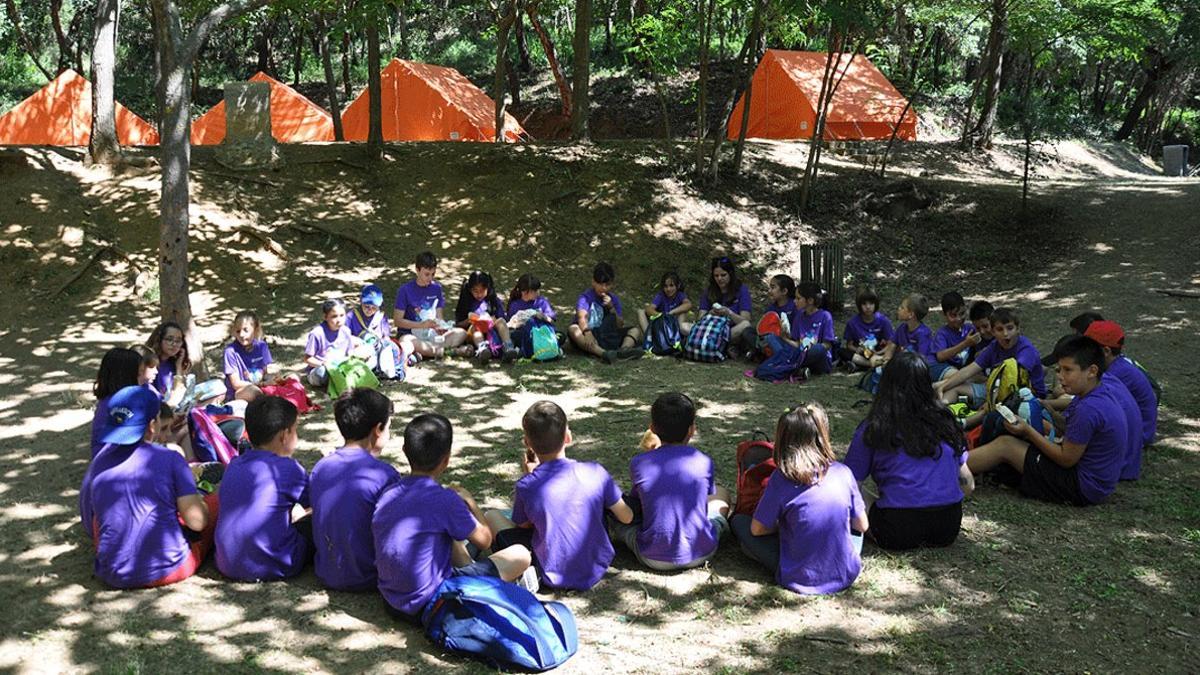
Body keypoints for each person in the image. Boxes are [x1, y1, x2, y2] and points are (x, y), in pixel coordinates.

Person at [373, 413, 535, 620]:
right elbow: (485, 541)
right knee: (521, 554)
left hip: (392, 600)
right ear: (447, 459)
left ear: (405, 451)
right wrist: (471, 503)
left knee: (446, 534)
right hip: (432, 601)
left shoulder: (388, 493)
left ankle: (470, 570)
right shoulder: (444, 499)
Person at [485, 401, 634, 591]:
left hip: (550, 572)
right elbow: (626, 516)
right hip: (597, 567)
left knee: (491, 515)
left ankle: (520, 570)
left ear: (527, 443)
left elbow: (524, 526)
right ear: (568, 437)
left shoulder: (527, 486)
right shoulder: (595, 472)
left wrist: (530, 476)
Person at [966, 336, 1126, 506]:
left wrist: (1028, 431)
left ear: (1092, 371)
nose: (1061, 377)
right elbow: (1070, 429)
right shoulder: (1098, 391)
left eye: (1068, 370)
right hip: (1096, 480)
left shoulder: (1088, 409)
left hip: (1082, 487)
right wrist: (1048, 411)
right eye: (1059, 370)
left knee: (1006, 445)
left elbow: (1066, 459)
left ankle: (947, 468)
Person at [730, 404, 868, 595]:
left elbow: (757, 529)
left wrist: (783, 525)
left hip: (798, 576)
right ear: (823, 435)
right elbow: (862, 526)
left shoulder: (781, 478)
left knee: (739, 522)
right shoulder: (843, 472)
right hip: (846, 572)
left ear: (782, 440)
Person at [89, 385, 217, 588]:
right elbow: (197, 522)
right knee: (214, 503)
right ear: (152, 425)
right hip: (168, 569)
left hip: (112, 572)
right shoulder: (170, 457)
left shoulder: (99, 461)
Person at [844, 353, 974, 550]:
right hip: (948, 526)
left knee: (851, 487)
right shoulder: (946, 422)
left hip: (896, 528)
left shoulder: (874, 426)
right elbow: (968, 485)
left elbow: (850, 484)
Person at [609, 393, 730, 570]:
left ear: (652, 428)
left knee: (616, 514)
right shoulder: (704, 461)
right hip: (701, 551)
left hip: (652, 557)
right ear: (692, 429)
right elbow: (702, 502)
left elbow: (638, 503)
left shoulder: (640, 463)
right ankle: (721, 527)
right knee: (721, 493)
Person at [311, 389, 401, 591]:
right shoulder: (386, 476)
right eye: (388, 427)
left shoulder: (321, 467)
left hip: (327, 572)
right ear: (378, 429)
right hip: (370, 576)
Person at [215, 396, 312, 581]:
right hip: (275, 564)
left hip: (227, 563)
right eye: (295, 430)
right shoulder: (290, 469)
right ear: (284, 436)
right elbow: (316, 503)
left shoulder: (233, 464)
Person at [936, 307, 1047, 406]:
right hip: (997, 389)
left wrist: (991, 401)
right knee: (951, 388)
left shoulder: (1026, 350)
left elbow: (1016, 383)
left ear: (1018, 329)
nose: (1005, 334)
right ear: (993, 331)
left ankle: (954, 420)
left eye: (1009, 328)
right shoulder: (994, 346)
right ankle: (940, 414)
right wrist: (944, 386)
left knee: (958, 389)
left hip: (1027, 396)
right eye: (1000, 329)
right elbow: (969, 370)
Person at [1083, 320, 1157, 448]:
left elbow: (1088, 401)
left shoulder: (1116, 374)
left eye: (1086, 349)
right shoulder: (1117, 364)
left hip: (1138, 435)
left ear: (1106, 351)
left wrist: (1047, 404)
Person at [392, 250, 467, 360]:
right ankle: (452, 351)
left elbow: (439, 316)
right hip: (411, 334)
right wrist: (421, 325)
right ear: (417, 270)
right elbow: (397, 321)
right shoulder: (405, 290)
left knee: (461, 333)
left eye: (433, 274)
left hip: (432, 335)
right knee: (405, 341)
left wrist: (441, 327)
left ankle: (426, 352)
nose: (430, 278)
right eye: (427, 274)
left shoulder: (437, 288)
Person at [567, 261, 644, 364]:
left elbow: (620, 324)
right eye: (600, 284)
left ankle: (623, 351)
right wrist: (587, 332)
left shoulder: (613, 299)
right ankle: (604, 354)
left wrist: (611, 307)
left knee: (635, 330)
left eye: (607, 285)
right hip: (590, 336)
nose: (603, 288)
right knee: (573, 329)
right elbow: (581, 317)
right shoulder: (585, 297)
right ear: (593, 282)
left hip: (608, 335)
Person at [452, 271, 521, 365]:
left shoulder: (493, 301)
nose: (479, 294)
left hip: (491, 330)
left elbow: (502, 319)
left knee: (500, 321)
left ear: (488, 288)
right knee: (476, 327)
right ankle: (482, 349)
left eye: (482, 291)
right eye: (475, 291)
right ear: (470, 290)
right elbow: (458, 324)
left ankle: (508, 347)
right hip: (474, 333)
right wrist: (470, 320)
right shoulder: (466, 302)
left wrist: (492, 320)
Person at [697, 256, 754, 357]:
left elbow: (746, 320)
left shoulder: (741, 290)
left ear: (730, 274)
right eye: (716, 276)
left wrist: (729, 313)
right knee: (684, 327)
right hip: (711, 331)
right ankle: (724, 346)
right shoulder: (708, 291)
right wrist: (710, 313)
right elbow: (700, 319)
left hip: (731, 331)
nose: (719, 279)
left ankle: (721, 345)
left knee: (745, 326)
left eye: (723, 275)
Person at [347, 284, 407, 381]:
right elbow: (345, 338)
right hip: (359, 351)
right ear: (361, 301)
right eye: (366, 306)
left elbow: (386, 338)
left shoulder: (381, 318)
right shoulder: (351, 317)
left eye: (374, 307)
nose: (370, 310)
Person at [304, 298, 364, 388]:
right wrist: (323, 364)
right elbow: (307, 359)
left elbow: (349, 353)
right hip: (322, 369)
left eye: (342, 315)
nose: (339, 320)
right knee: (322, 373)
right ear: (325, 317)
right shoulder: (317, 333)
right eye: (334, 316)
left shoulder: (346, 331)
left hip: (340, 367)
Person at [786, 281, 836, 376]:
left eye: (798, 298)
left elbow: (827, 345)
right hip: (801, 353)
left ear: (810, 301)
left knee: (818, 349)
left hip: (819, 358)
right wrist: (784, 338)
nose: (794, 301)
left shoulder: (825, 316)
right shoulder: (799, 316)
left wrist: (808, 350)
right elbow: (797, 344)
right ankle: (801, 369)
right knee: (773, 339)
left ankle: (793, 366)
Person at [224, 310, 275, 401]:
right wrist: (262, 385)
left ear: (255, 330)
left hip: (259, 385)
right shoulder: (230, 351)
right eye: (238, 331)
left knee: (291, 377)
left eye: (245, 330)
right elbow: (236, 384)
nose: (241, 335)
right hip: (240, 391)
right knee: (254, 392)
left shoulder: (262, 346)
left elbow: (264, 372)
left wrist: (272, 379)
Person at [839, 287, 894, 371]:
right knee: (841, 352)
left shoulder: (883, 321)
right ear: (859, 305)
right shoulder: (852, 323)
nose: (868, 307)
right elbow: (849, 345)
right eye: (864, 304)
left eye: (871, 303)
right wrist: (857, 349)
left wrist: (878, 352)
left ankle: (861, 365)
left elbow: (891, 344)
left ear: (876, 304)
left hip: (878, 352)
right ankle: (873, 364)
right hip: (861, 354)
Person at [930, 292, 981, 382]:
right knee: (967, 377)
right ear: (944, 315)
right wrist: (965, 344)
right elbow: (940, 356)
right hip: (943, 368)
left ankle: (943, 385)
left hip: (961, 369)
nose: (958, 318)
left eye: (962, 313)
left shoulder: (970, 329)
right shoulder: (942, 334)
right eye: (953, 315)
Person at [506, 273, 559, 357]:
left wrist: (543, 316)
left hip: (543, 332)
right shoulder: (515, 305)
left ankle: (540, 347)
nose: (537, 293)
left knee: (560, 336)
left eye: (538, 290)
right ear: (524, 292)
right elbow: (512, 325)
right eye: (534, 291)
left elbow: (551, 320)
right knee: (526, 327)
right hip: (525, 333)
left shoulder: (542, 302)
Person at [747, 274, 796, 358]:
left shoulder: (794, 306)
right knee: (748, 331)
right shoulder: (771, 308)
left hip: (786, 340)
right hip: (769, 337)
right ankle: (764, 351)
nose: (769, 291)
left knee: (771, 340)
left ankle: (766, 353)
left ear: (784, 291)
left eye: (773, 288)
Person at [886, 293, 934, 366]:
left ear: (911, 315)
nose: (899, 308)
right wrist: (886, 359)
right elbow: (892, 345)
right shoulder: (902, 328)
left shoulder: (923, 334)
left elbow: (922, 360)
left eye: (902, 308)